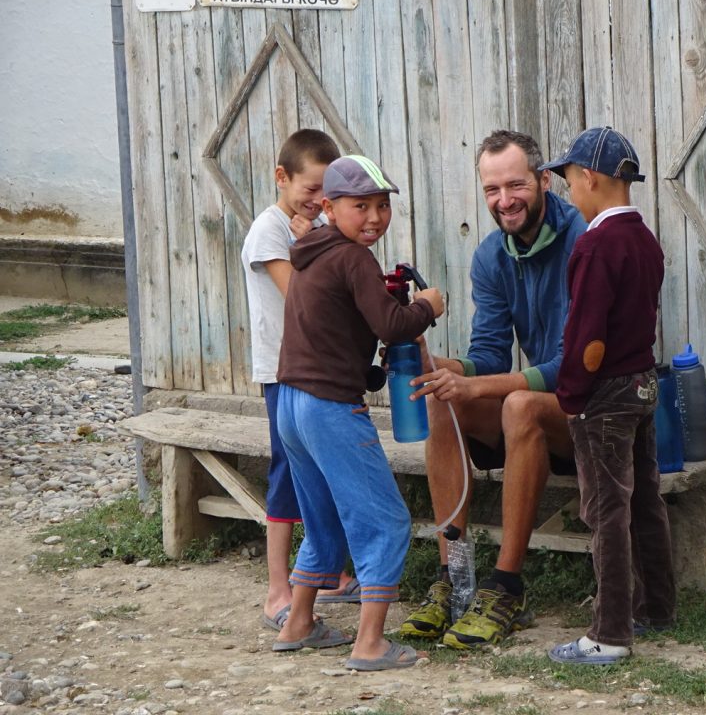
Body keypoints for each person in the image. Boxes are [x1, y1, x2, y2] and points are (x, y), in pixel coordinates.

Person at [399, 130, 586, 649]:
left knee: (519, 404)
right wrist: (437, 365)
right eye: (492, 189)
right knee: (443, 398)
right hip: (538, 411)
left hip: (593, 411)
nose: (504, 200)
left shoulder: (583, 241)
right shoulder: (490, 257)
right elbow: (489, 355)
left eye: (516, 185)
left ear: (544, 181)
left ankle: (506, 588)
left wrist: (476, 384)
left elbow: (572, 368)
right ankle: (455, 580)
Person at [273, 154, 445, 670]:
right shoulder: (353, 258)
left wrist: (370, 373)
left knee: (323, 517)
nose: (374, 217)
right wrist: (428, 306)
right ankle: (370, 643)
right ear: (329, 207)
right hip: (328, 410)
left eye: (382, 206)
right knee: (385, 520)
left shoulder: (311, 253)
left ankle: (299, 623)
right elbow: (392, 325)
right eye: (360, 206)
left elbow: (332, 336)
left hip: (291, 405)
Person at [540, 126, 676, 665]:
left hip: (606, 394)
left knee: (605, 510)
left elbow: (588, 338)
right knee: (644, 499)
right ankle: (656, 607)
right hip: (643, 384)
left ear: (590, 177)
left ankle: (610, 633)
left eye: (570, 180)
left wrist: (572, 396)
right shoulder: (644, 239)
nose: (570, 191)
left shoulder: (596, 244)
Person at [240, 129, 360, 633]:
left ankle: (330, 575)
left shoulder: (314, 226)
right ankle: (277, 592)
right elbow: (305, 300)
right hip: (284, 372)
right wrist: (310, 239)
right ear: (281, 178)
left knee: (324, 472)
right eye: (311, 189)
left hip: (319, 370)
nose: (318, 199)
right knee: (288, 474)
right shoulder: (269, 231)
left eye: (326, 192)